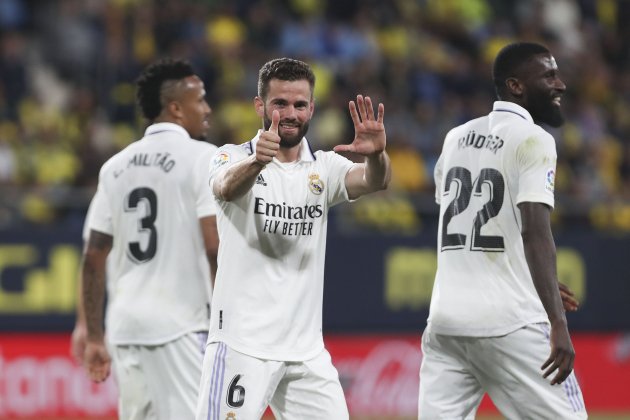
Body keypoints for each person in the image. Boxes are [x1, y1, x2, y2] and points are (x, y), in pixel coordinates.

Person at [195, 57, 391, 419]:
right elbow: (223, 188)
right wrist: (257, 162)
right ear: (260, 106)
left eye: (300, 104)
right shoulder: (230, 156)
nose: (291, 113)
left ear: (312, 108)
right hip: (243, 345)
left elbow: (374, 180)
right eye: (280, 103)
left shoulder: (324, 168)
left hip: (306, 352)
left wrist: (378, 155)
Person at [418, 42, 587, 419]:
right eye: (549, 75)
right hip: (509, 322)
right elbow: (534, 232)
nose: (560, 84)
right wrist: (557, 320)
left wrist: (526, 272)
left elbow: (467, 222)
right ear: (516, 86)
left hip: (446, 324)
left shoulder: (455, 137)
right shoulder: (535, 140)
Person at [81, 58, 219, 419]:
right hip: (181, 326)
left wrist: (95, 335)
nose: (207, 109)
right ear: (175, 107)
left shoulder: (114, 167)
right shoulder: (203, 158)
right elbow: (214, 247)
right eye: (200, 100)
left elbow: (93, 256)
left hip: (125, 327)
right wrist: (230, 324)